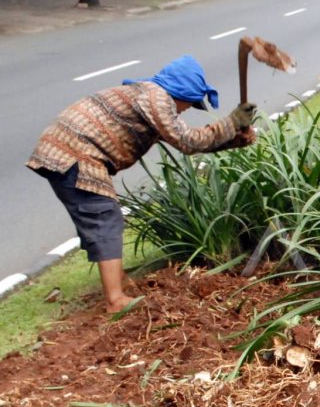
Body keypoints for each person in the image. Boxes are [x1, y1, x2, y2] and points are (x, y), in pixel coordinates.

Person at [27, 55, 258, 314]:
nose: (185, 110)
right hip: (74, 153)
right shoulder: (156, 98)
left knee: (98, 216)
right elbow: (188, 141)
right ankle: (115, 299)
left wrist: (234, 140)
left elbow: (192, 142)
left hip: (66, 150)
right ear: (180, 92)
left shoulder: (152, 98)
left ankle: (118, 280)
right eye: (189, 104)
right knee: (104, 216)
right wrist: (232, 122)